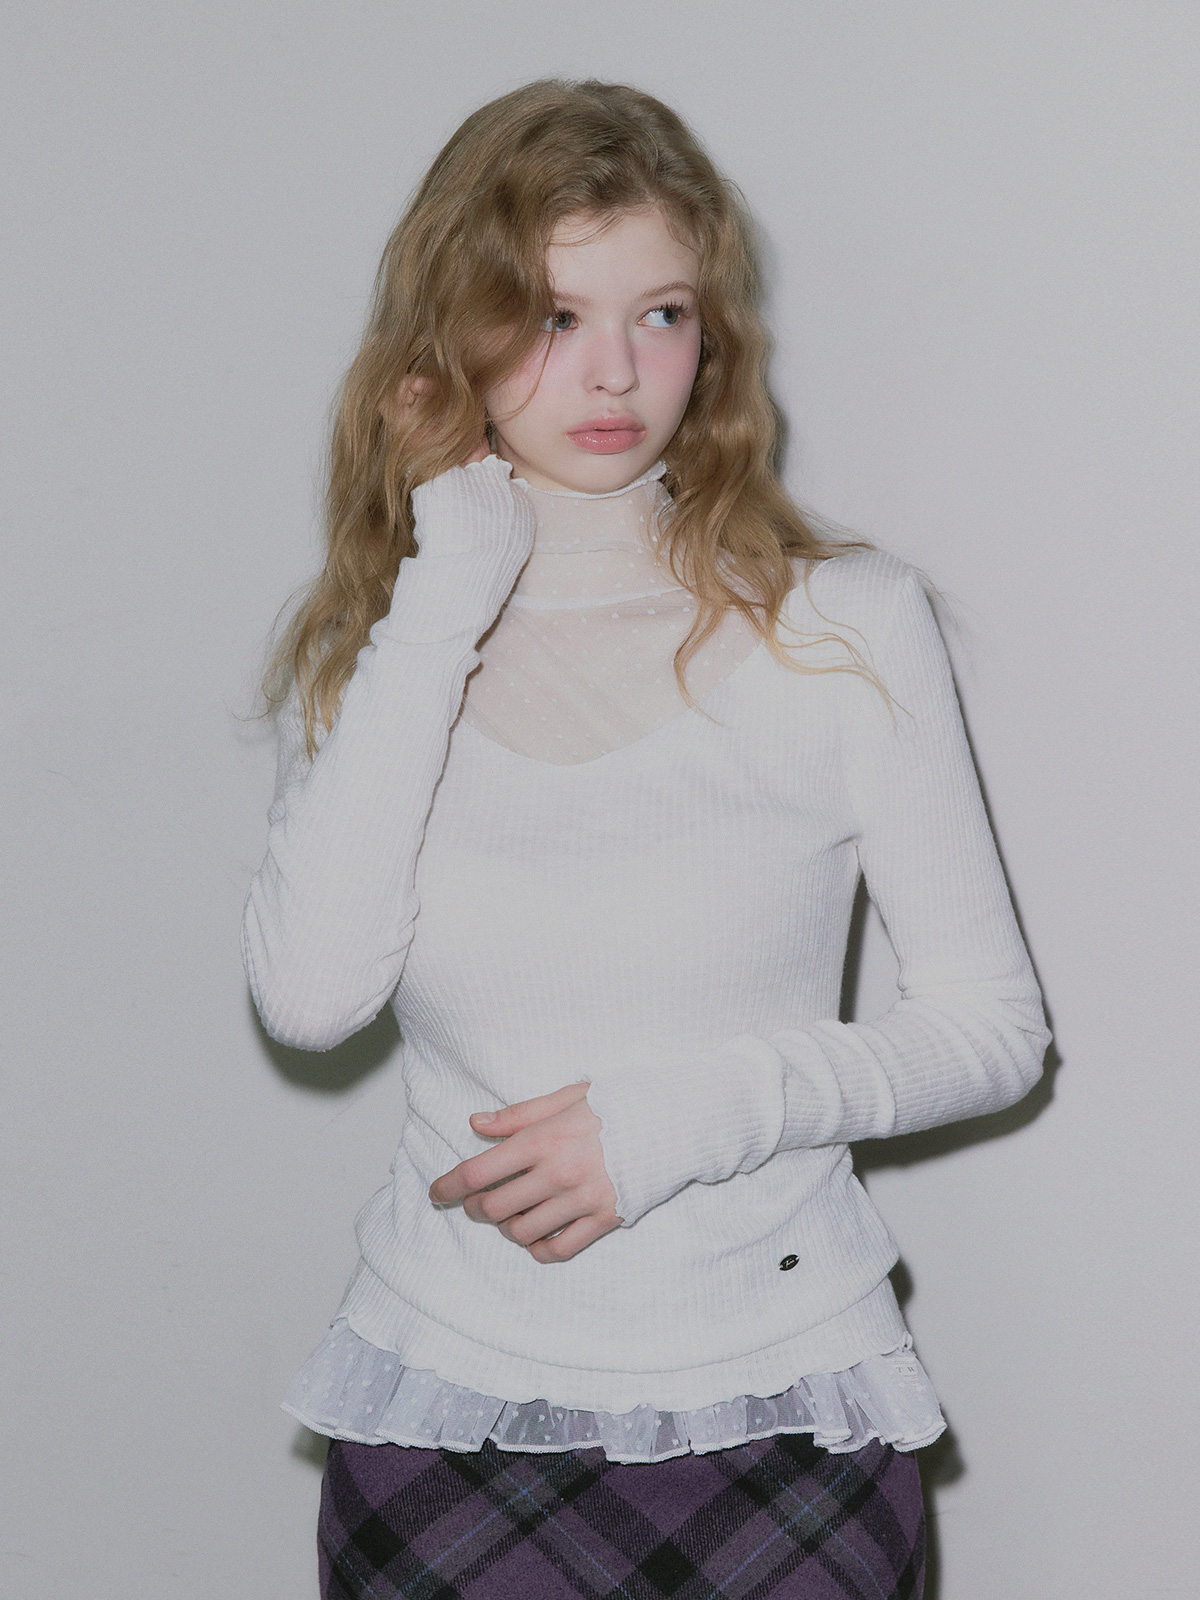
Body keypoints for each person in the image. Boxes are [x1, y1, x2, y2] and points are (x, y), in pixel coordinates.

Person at [242, 76, 1050, 1600]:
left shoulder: (844, 625)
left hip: (785, 1399)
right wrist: (445, 585)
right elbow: (311, 999)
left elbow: (992, 1032)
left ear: (713, 335)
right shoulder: (384, 651)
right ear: (451, 339)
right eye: (554, 318)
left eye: (660, 315)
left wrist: (680, 1120)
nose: (616, 372)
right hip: (448, 1401)